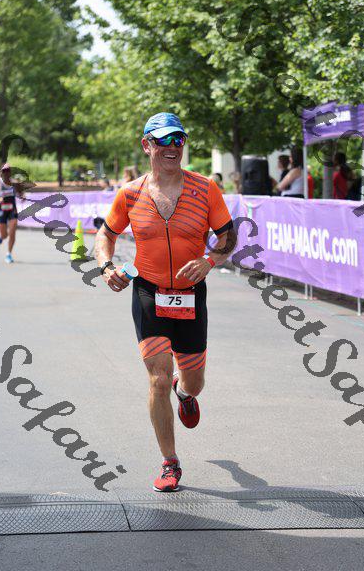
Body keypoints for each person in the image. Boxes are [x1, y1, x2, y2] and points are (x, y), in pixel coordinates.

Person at [95, 112, 236, 492]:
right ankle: (170, 462)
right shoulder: (130, 193)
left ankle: (184, 392)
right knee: (157, 378)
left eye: (179, 140)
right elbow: (105, 235)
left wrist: (209, 261)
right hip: (149, 292)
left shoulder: (206, 189)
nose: (173, 147)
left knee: (194, 382)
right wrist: (107, 267)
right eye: (163, 140)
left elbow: (228, 238)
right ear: (147, 145)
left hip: (190, 295)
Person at [0, 163, 23, 263]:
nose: (6, 173)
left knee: (12, 232)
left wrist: (22, 196)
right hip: (1, 210)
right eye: (4, 171)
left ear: (10, 172)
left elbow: (20, 193)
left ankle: (9, 254)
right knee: (5, 235)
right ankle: (2, 237)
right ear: (0, 172)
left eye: (8, 170)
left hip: (12, 210)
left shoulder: (14, 183)